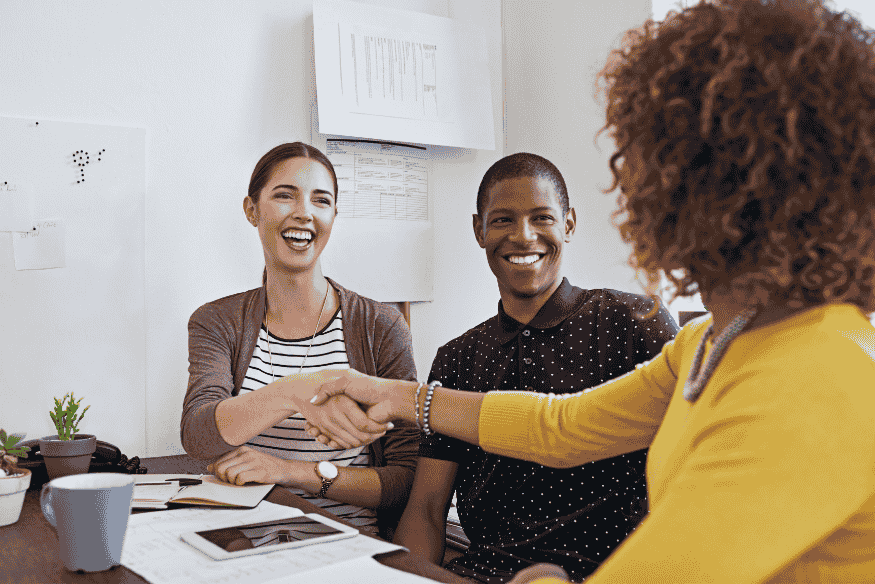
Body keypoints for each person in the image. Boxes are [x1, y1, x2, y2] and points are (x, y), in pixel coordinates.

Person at [295, 0, 875, 581]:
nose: (636, 185)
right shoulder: (709, 341)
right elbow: (561, 428)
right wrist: (391, 394)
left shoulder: (815, 379)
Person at [388, 152, 676, 583]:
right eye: (503, 220)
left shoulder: (634, 322)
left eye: (542, 218)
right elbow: (427, 509)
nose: (523, 236)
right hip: (482, 573)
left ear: (569, 224)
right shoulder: (457, 357)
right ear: (479, 230)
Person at [180, 142, 419, 539]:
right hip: (242, 545)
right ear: (251, 210)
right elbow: (198, 435)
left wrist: (289, 472)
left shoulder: (380, 326)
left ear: (334, 216)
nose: (304, 212)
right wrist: (298, 392)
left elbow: (405, 481)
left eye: (321, 200)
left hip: (348, 546)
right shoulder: (216, 322)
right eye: (284, 195)